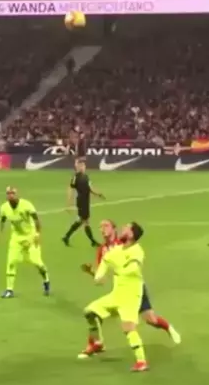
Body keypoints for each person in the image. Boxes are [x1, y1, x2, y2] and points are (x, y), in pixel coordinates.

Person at [80, 219, 181, 354]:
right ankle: (95, 344)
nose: (102, 229)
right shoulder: (102, 250)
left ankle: (168, 328)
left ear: (114, 229)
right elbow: (102, 278)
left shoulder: (124, 243)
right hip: (120, 290)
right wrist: (91, 272)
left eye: (106, 226)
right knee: (94, 313)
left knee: (151, 320)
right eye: (100, 227)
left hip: (135, 288)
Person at [78, 222, 149, 372]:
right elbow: (101, 274)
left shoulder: (137, 251)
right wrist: (94, 273)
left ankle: (141, 361)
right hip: (116, 295)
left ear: (131, 234)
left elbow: (133, 269)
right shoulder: (115, 251)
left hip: (131, 296)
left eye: (126, 227)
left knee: (128, 328)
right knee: (90, 311)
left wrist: (118, 269)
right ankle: (98, 343)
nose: (122, 229)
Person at [0, 187, 50, 298]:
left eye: (13, 193)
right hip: (16, 238)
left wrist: (37, 234)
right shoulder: (4, 207)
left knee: (36, 262)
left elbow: (36, 219)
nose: (10, 195)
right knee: (11, 262)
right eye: (8, 193)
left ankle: (46, 280)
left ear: (17, 194)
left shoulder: (26, 205)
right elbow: (2, 220)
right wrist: (0, 233)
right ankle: (9, 289)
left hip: (30, 237)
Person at [62, 159, 104, 247]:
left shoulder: (86, 177)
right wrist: (69, 203)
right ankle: (91, 241)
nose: (84, 167)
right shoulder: (75, 177)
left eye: (84, 165)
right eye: (82, 165)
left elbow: (90, 188)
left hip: (86, 201)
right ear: (79, 166)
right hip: (81, 202)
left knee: (84, 221)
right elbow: (71, 189)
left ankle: (67, 237)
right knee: (83, 221)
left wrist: (98, 194)